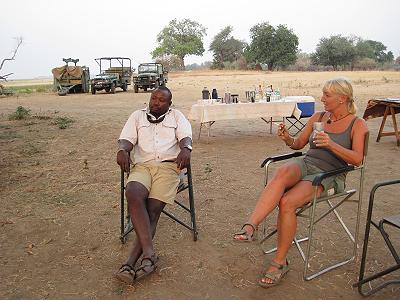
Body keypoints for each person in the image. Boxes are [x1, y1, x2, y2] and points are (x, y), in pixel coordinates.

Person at [233, 77, 368, 288]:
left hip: (330, 174)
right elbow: (298, 143)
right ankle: (251, 226)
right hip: (307, 164)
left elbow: (358, 160)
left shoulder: (357, 124)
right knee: (283, 171)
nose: (322, 98)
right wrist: (287, 137)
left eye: (327, 95)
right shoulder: (319, 116)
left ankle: (280, 262)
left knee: (287, 202)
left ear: (342, 99)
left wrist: (331, 145)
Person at [115, 86, 193, 283]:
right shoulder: (137, 116)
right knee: (133, 192)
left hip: (168, 168)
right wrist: (123, 150)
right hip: (143, 166)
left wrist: (186, 148)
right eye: (153, 98)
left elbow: (186, 137)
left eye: (161, 100)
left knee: (153, 208)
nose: (155, 102)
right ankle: (149, 255)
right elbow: (126, 139)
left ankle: (130, 262)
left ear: (169, 103)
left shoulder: (177, 117)